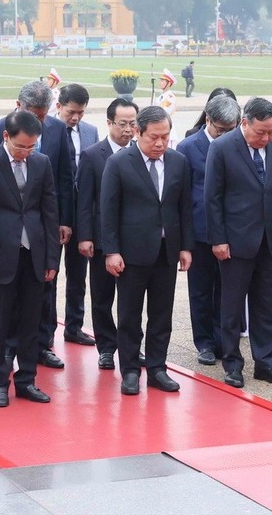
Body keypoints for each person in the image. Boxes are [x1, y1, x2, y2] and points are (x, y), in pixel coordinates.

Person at [0, 110, 61, 407]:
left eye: (31, 147)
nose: (26, 153)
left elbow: (49, 212)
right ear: (6, 137)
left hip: (33, 255)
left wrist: (51, 260)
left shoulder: (41, 163)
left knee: (32, 321)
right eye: (21, 146)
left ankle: (27, 380)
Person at [102, 106, 193, 395]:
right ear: (138, 133)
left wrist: (185, 247)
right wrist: (111, 251)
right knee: (129, 315)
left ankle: (157, 368)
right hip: (131, 254)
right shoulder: (119, 163)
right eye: (154, 137)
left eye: (165, 137)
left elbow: (184, 208)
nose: (160, 144)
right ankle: (129, 369)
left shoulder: (178, 162)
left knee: (161, 314)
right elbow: (109, 211)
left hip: (166, 252)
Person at [206, 97, 272, 388]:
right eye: (260, 132)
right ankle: (232, 363)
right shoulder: (221, 148)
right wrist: (218, 239)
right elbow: (213, 199)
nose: (266, 138)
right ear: (245, 123)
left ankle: (266, 363)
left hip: (270, 241)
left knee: (267, 306)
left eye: (270, 131)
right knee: (231, 308)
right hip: (235, 242)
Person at [0, 80, 73, 369]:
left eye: (43, 115)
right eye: (33, 113)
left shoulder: (59, 130)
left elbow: (63, 178)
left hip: (42, 230)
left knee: (44, 289)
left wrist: (64, 221)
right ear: (18, 106)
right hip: (6, 238)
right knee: (7, 298)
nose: (39, 120)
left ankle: (42, 343)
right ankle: (8, 350)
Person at [177, 95, 240, 365]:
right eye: (221, 130)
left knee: (228, 290)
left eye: (231, 129)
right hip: (201, 232)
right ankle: (203, 342)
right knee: (202, 290)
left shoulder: (240, 144)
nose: (226, 135)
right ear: (208, 120)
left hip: (233, 230)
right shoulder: (188, 147)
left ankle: (224, 340)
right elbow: (180, 196)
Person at [77, 99, 139, 370]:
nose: (128, 130)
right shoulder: (93, 155)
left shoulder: (142, 152)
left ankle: (131, 348)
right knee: (102, 298)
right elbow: (85, 200)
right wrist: (85, 236)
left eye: (133, 124)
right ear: (110, 123)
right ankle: (106, 347)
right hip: (103, 239)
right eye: (122, 124)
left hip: (135, 239)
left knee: (132, 301)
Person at [55, 84, 99, 347]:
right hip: (55, 213)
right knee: (48, 275)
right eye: (71, 112)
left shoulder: (91, 132)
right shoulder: (48, 131)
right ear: (59, 106)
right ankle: (45, 329)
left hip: (83, 213)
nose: (76, 118)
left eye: (80, 113)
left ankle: (74, 325)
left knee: (78, 274)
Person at [157, 69, 180, 148]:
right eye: (161, 80)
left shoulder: (170, 97)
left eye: (163, 81)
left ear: (169, 83)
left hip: (166, 126)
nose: (160, 82)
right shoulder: (160, 97)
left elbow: (164, 112)